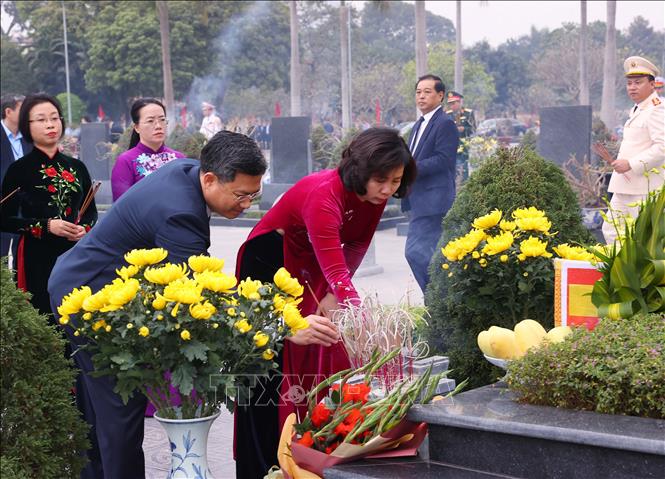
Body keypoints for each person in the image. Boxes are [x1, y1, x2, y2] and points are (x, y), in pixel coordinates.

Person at [47, 131, 339, 479]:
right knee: (119, 410)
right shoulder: (180, 215)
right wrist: (285, 325)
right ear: (211, 178)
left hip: (89, 282)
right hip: (89, 296)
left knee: (96, 408)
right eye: (241, 195)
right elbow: (198, 300)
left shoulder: (190, 173)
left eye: (254, 195)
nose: (248, 205)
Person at [234, 127, 417, 479]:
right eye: (381, 180)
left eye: (396, 180)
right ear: (360, 170)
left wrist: (335, 295)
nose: (388, 189)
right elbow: (337, 271)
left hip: (315, 263)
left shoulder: (375, 197)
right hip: (272, 262)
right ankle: (264, 462)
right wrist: (371, 331)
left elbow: (356, 248)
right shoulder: (324, 194)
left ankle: (311, 452)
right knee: (272, 362)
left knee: (323, 346)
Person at [1, 93, 96, 319]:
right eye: (41, 119)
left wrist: (85, 228)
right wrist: (45, 226)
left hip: (74, 253)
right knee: (44, 316)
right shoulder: (19, 170)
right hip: (36, 256)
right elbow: (4, 218)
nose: (50, 124)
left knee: (78, 316)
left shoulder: (78, 167)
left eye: (55, 118)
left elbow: (90, 211)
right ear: (27, 125)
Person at [401, 74, 459, 294]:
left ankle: (436, 297)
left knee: (415, 252)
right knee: (428, 255)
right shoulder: (419, 124)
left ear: (440, 95)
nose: (421, 96)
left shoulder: (445, 124)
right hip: (419, 201)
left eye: (427, 92)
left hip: (435, 202)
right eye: (418, 92)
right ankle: (437, 299)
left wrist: (409, 168)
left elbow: (444, 160)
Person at [601, 56, 664, 244]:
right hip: (625, 184)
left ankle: (635, 273)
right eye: (629, 83)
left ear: (652, 85)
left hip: (644, 187)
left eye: (638, 82)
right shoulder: (638, 109)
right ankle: (619, 272)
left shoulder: (657, 109)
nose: (632, 87)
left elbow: (662, 146)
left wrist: (631, 163)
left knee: (642, 239)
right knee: (612, 231)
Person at [111, 98, 185, 201]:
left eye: (162, 120)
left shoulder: (179, 159)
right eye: (150, 121)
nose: (158, 126)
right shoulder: (126, 161)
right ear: (137, 127)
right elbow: (122, 206)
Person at [1, 94, 33, 263]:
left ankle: (20, 289)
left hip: (26, 207)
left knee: (23, 255)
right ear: (8, 112)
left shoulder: (29, 138)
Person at [445, 90, 476, 182]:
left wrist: (464, 129)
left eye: (453, 103)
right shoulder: (447, 114)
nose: (452, 106)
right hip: (451, 144)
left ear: (459, 102)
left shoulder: (468, 113)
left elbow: (473, 129)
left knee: (464, 165)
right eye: (450, 104)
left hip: (464, 143)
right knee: (453, 166)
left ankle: (464, 184)